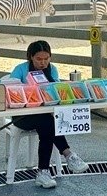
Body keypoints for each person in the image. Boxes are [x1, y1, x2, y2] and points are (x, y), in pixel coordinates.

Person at [10, 40, 89, 188]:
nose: (43, 63)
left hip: (45, 115)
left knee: (47, 124)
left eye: (46, 59)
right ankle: (67, 155)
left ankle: (44, 171)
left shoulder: (52, 69)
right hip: (22, 116)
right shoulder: (21, 69)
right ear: (30, 57)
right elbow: (10, 88)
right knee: (49, 123)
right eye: (39, 59)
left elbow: (57, 90)